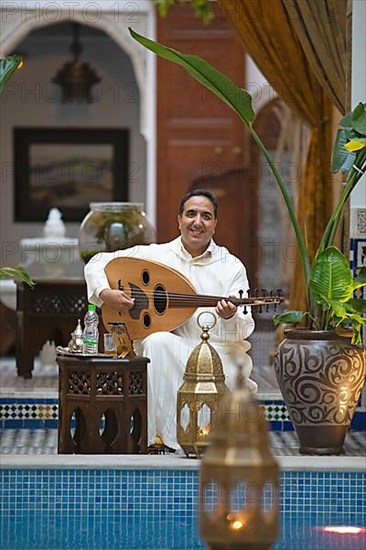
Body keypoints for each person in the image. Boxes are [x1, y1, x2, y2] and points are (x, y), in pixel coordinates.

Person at [84, 189, 256, 451]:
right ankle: (160, 441)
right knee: (157, 343)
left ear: (215, 224)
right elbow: (97, 261)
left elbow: (243, 329)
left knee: (222, 368)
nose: (197, 221)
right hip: (170, 346)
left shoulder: (231, 266)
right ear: (179, 220)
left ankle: (204, 439)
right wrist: (105, 294)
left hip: (217, 352)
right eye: (191, 214)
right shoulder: (156, 256)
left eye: (206, 216)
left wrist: (231, 316)